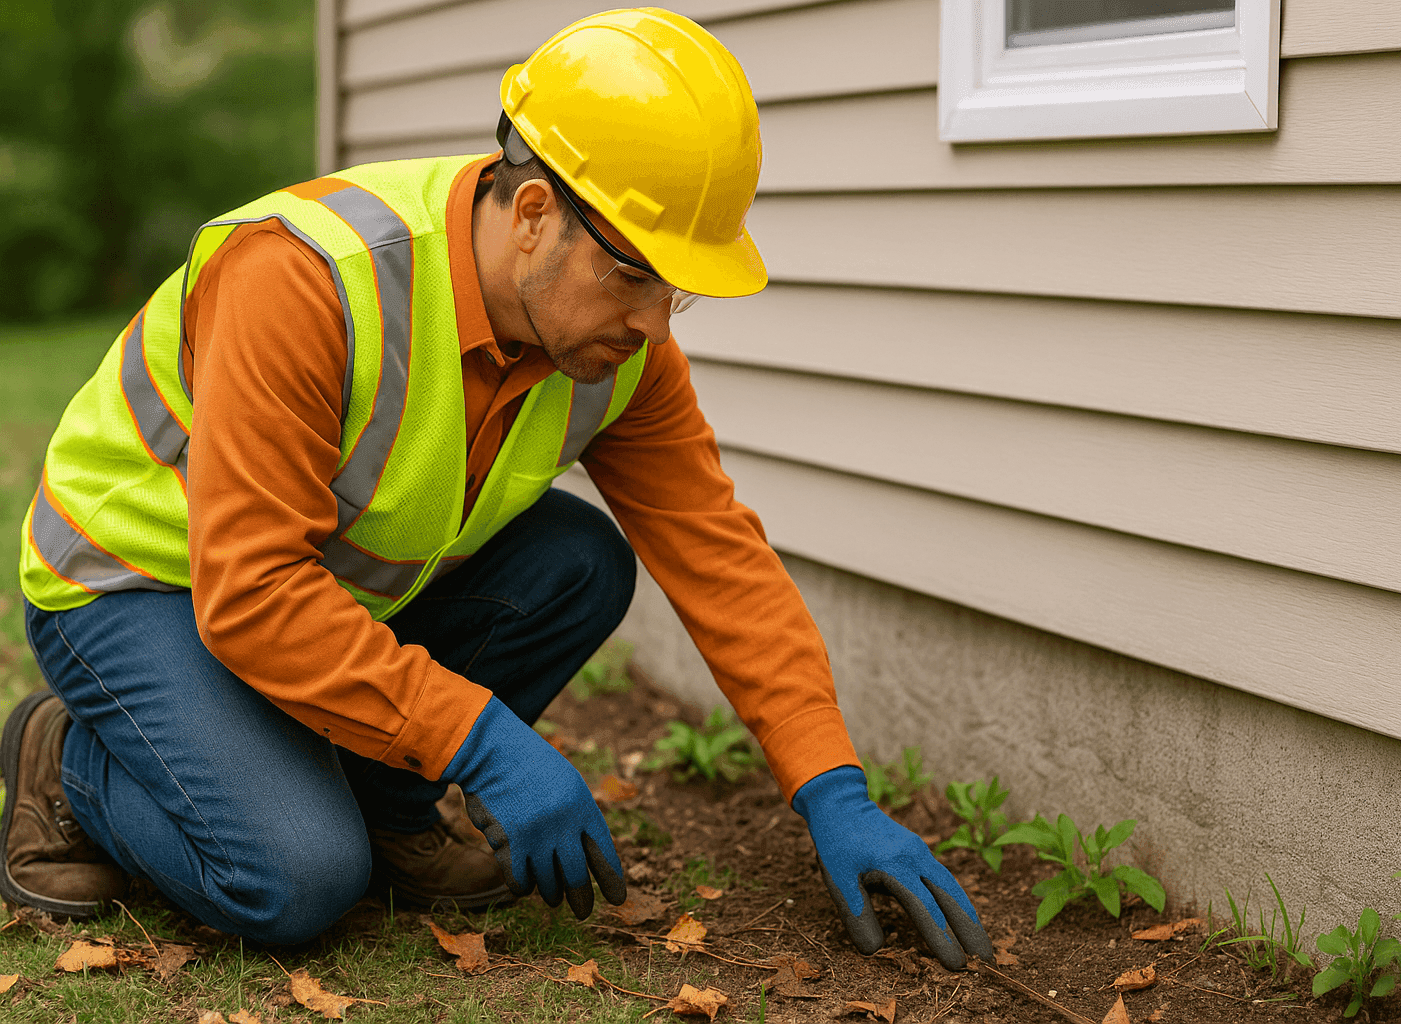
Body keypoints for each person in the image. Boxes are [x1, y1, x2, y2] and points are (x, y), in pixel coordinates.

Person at [0, 9, 993, 969]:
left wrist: (832, 784)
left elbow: (718, 555)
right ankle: (69, 759)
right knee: (296, 875)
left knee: (577, 562)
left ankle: (388, 809)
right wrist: (476, 739)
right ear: (533, 215)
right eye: (634, 276)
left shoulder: (624, 354)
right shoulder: (307, 281)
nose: (656, 323)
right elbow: (252, 591)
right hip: (136, 580)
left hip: (313, 587)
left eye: (677, 291)